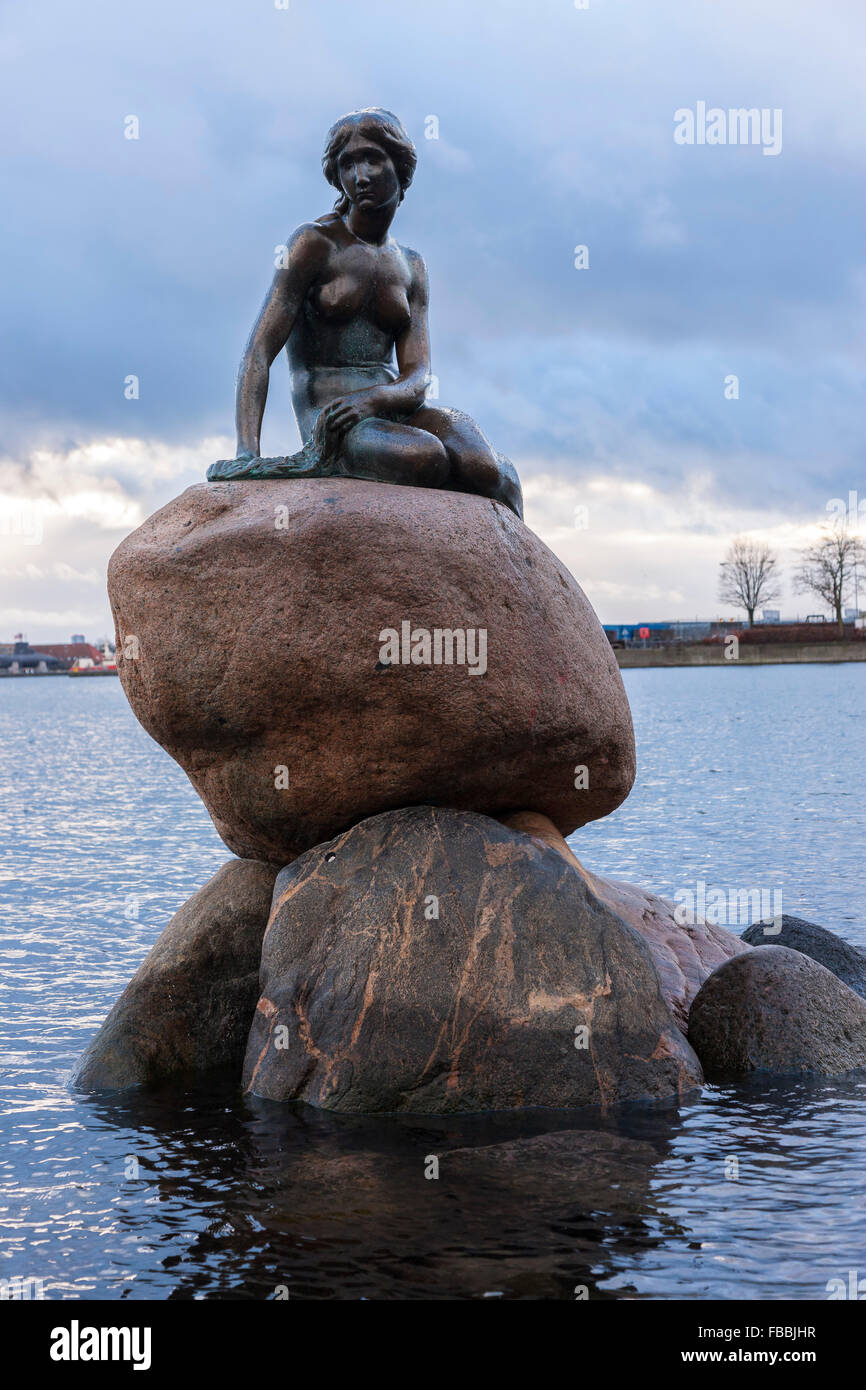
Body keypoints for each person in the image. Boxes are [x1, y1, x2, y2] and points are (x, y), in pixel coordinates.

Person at [209, 107, 523, 518]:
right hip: (335, 419)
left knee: (489, 468)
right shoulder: (313, 244)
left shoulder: (411, 265)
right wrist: (247, 451)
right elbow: (259, 351)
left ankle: (514, 559)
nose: (360, 176)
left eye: (372, 159)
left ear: (401, 165)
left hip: (393, 407)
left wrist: (374, 399)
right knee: (425, 456)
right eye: (348, 164)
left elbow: (418, 376)